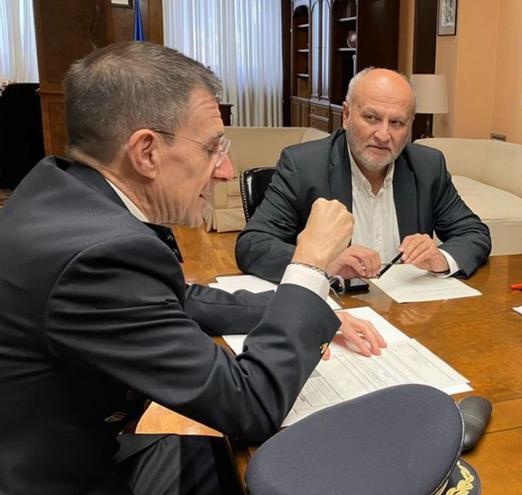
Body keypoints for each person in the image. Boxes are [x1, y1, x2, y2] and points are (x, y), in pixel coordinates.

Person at [0, 42, 387, 495]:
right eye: (212, 148)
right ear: (146, 151)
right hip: (55, 479)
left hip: (70, 449)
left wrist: (303, 309)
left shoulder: (62, 189)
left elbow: (177, 299)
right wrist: (309, 266)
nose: (226, 171)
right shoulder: (98, 255)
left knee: (228, 461)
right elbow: (252, 406)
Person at [235, 68, 491, 283]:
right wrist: (322, 262)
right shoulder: (303, 166)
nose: (383, 135)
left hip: (407, 311)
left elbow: (474, 233)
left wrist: (440, 258)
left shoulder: (427, 166)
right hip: (332, 310)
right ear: (346, 115)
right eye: (371, 118)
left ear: (410, 125)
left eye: (397, 123)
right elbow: (252, 245)